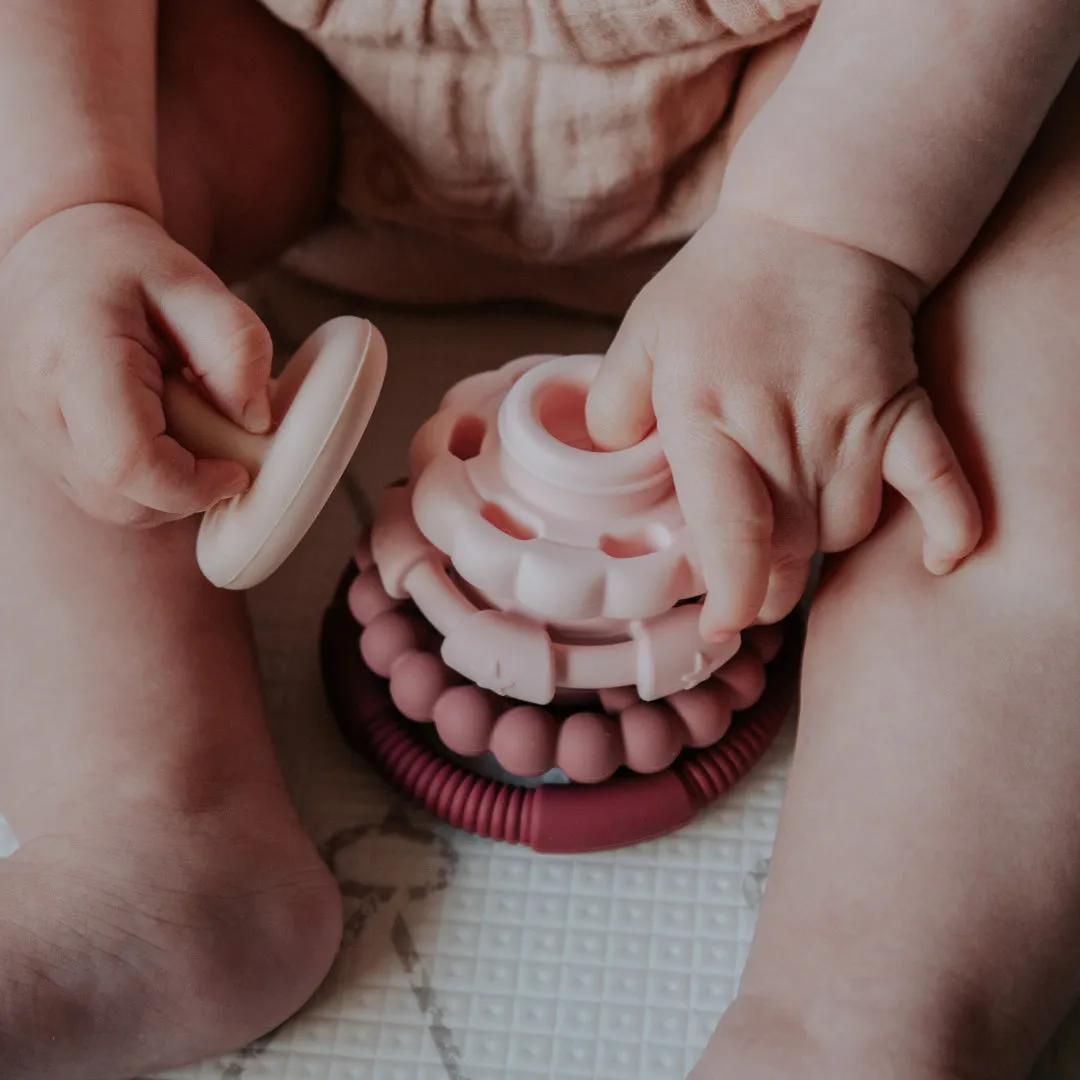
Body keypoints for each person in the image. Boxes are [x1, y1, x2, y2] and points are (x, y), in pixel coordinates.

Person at [1, 2, 1078, 1077]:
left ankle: (871, 999)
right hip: (289, 71)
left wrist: (829, 232)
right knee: (48, 319)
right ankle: (148, 827)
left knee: (1044, 360)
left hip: (864, 104)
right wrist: (69, 205)